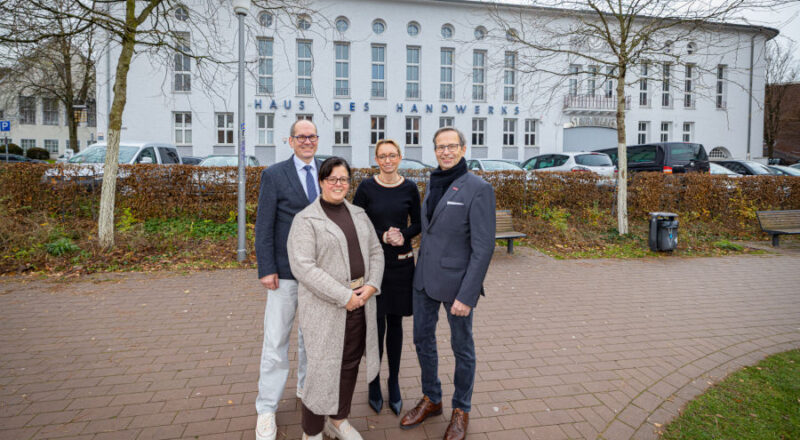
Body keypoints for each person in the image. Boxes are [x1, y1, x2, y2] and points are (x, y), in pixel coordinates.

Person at [400, 127, 495, 440]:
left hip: (457, 286)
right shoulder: (433, 182)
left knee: (462, 348)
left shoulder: (478, 188)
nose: (446, 152)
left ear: (463, 149)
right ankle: (432, 398)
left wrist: (467, 295)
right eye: (440, 147)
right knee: (422, 340)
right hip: (424, 280)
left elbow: (484, 247)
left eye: (452, 146)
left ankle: (461, 409)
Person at [288, 157, 385, 440]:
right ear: (321, 181)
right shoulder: (306, 219)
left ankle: (338, 420)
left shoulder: (359, 214)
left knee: (349, 364)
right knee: (321, 369)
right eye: (332, 179)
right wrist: (344, 296)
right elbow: (303, 267)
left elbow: (376, 252)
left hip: (360, 304)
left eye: (343, 179)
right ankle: (311, 431)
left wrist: (372, 285)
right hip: (325, 308)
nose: (338, 184)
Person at [253, 119, 321, 440]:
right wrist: (266, 267)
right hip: (284, 273)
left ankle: (306, 389)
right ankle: (266, 408)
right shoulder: (274, 175)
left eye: (312, 136)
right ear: (291, 141)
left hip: (318, 277)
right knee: (276, 341)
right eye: (301, 137)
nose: (307, 141)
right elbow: (263, 225)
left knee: (312, 340)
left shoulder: (327, 172)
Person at [353, 139, 421, 415]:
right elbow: (356, 222)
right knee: (374, 325)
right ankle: (373, 381)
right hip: (373, 267)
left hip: (401, 266)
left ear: (400, 157)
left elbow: (418, 223)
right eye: (382, 156)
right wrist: (382, 235)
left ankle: (393, 382)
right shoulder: (366, 187)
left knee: (395, 324)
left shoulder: (410, 187)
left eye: (392, 155)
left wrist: (403, 234)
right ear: (376, 160)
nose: (388, 160)